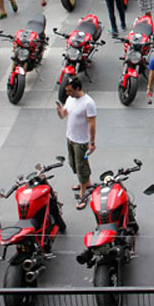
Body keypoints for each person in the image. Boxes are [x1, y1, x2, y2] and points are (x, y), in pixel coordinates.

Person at [56, 77, 96, 208]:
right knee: (74, 163)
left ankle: (83, 194)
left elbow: (92, 124)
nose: (68, 93)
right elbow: (63, 115)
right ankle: (87, 182)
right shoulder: (70, 99)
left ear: (78, 88)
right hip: (71, 138)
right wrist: (59, 110)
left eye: (70, 91)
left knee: (80, 166)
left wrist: (92, 142)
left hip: (81, 141)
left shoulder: (88, 103)